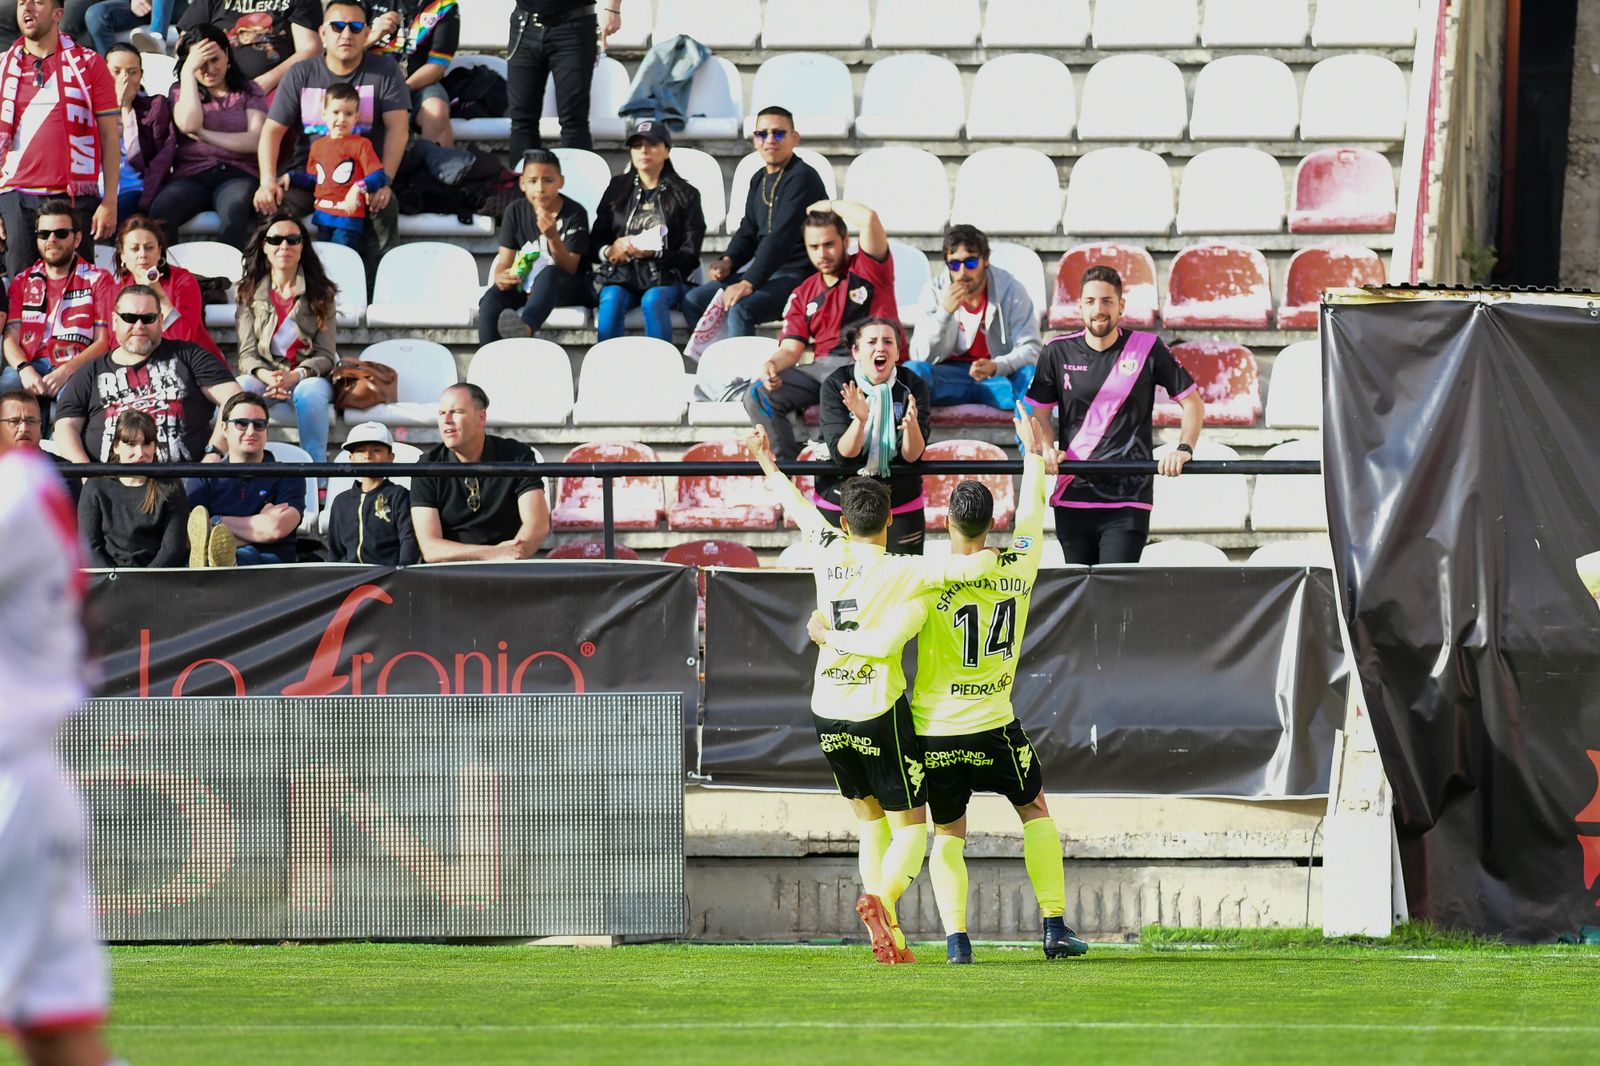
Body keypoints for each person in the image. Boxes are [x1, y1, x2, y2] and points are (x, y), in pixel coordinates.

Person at [807, 406, 1091, 965]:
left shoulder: (925, 576)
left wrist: (830, 636)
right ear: (991, 522)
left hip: (934, 729)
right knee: (1034, 809)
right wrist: (1034, 457)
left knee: (947, 833)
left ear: (944, 522)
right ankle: (1055, 927)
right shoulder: (1018, 563)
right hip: (994, 722)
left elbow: (885, 634)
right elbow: (1033, 516)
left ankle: (957, 942)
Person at [745, 421, 1002, 965]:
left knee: (868, 821)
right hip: (876, 709)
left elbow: (795, 503)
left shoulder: (824, 547)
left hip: (826, 708)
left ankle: (890, 940)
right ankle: (881, 901)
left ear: (843, 521)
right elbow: (972, 564)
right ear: (890, 520)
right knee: (910, 825)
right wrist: (1001, 555)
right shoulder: (904, 570)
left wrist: (766, 459)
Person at [0, 425, 117, 1066]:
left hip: (11, 782)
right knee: (58, 1040)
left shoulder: (15, 493)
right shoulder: (26, 486)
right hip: (28, 782)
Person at [1026, 265, 1204, 565]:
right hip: (1073, 493)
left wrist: (1184, 448)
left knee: (1115, 589)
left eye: (1107, 301)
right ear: (1080, 306)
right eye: (1091, 301)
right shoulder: (1056, 351)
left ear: (1121, 305)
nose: (1099, 310)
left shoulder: (1148, 347)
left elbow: (1193, 403)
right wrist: (1046, 448)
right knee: (1079, 589)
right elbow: (1040, 415)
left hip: (1129, 497)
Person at [256, 1, 409, 271]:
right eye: (337, 26)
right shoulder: (301, 72)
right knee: (271, 206)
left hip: (363, 180)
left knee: (385, 205)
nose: (346, 34)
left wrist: (385, 181)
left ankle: (375, 287)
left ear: (367, 33)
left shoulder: (385, 70)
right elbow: (272, 131)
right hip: (311, 177)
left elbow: (398, 129)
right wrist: (267, 181)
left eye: (355, 27)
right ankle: (277, 284)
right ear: (323, 33)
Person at [749, 198, 898, 463]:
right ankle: (788, 469)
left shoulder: (868, 269)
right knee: (758, 394)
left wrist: (829, 205)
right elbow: (791, 348)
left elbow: (869, 219)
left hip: (868, 364)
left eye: (829, 244)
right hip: (823, 370)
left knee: (835, 385)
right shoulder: (803, 292)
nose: (822, 254)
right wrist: (772, 365)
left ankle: (829, 456)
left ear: (845, 241)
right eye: (814, 247)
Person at [680, 106, 825, 339]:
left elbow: (781, 237)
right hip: (767, 272)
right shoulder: (759, 178)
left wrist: (749, 281)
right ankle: (716, 357)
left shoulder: (803, 177)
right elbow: (748, 229)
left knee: (741, 307)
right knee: (694, 300)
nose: (770, 140)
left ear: (794, 138)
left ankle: (740, 364)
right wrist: (729, 260)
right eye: (762, 134)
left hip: (799, 275)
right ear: (755, 140)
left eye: (779, 133)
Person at [52, 283, 240, 463]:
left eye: (148, 318)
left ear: (160, 320)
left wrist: (214, 454)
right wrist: (85, 474)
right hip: (108, 481)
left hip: (184, 481)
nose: (139, 325)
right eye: (129, 317)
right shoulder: (91, 371)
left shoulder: (190, 355)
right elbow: (65, 425)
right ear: (115, 321)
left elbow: (236, 399)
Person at [0, 0, 120, 280]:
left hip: (73, 194)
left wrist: (110, 200)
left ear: (58, 14)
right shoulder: (3, 66)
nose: (27, 7)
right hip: (15, 194)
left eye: (37, 2)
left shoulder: (90, 63)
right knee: (23, 290)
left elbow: (109, 136)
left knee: (78, 290)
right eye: (21, 2)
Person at [814, 317, 930, 555]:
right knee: (841, 575)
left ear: (897, 352)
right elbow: (843, 455)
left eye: (888, 341)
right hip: (840, 500)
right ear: (855, 351)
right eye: (871, 342)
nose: (880, 347)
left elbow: (912, 457)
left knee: (902, 576)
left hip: (899, 501)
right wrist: (860, 420)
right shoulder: (837, 384)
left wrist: (912, 427)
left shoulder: (913, 385)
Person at [150, 22, 269, 251]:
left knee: (235, 209)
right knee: (161, 208)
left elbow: (256, 140)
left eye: (215, 59)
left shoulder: (249, 90)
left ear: (227, 56)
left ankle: (229, 272)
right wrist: (188, 73)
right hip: (192, 174)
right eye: (200, 63)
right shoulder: (180, 89)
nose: (209, 69)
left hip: (238, 173)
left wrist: (204, 135)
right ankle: (167, 272)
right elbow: (189, 124)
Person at [234, 213, 338, 463]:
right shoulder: (248, 291)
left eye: (292, 239)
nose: (284, 246)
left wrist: (296, 375)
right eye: (275, 240)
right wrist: (268, 376)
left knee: (311, 393)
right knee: (241, 387)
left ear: (302, 247)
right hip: (265, 377)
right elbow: (246, 355)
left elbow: (326, 355)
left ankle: (316, 472)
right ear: (264, 246)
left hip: (307, 378)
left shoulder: (322, 293)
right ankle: (239, 468)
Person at [590, 119, 704, 343]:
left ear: (667, 151)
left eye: (652, 144)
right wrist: (610, 250)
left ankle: (662, 362)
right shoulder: (616, 189)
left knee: (653, 299)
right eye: (637, 145)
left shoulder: (686, 193)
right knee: (611, 296)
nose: (644, 150)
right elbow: (596, 240)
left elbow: (690, 255)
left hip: (667, 278)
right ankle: (606, 361)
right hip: (623, 275)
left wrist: (656, 253)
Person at [907, 224, 1042, 412]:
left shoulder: (1011, 290)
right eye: (954, 264)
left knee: (1032, 377)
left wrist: (997, 366)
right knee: (912, 373)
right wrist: (944, 313)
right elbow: (919, 356)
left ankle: (1030, 433)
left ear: (986, 260)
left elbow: (1032, 350)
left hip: (998, 379)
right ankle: (911, 433)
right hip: (948, 378)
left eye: (970, 262)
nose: (962, 272)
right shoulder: (934, 291)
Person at [411, 383, 548, 561]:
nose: (447, 419)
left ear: (481, 417)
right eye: (442, 413)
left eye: (456, 412)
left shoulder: (517, 456)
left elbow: (537, 524)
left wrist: (514, 552)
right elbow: (430, 548)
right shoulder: (426, 466)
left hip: (508, 568)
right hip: (450, 571)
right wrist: (494, 553)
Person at [1, 201, 115, 398]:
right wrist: (23, 369)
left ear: (77, 239)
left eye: (61, 233)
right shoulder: (22, 281)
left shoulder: (99, 279)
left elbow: (102, 342)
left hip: (76, 365)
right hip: (28, 364)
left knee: (73, 398)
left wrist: (66, 371)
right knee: (5, 389)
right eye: (44, 234)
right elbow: (11, 336)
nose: (51, 240)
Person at [477, 148, 589, 344]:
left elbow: (570, 267)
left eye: (548, 180)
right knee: (491, 299)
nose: (540, 188)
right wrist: (501, 276)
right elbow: (504, 261)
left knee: (549, 273)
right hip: (526, 284)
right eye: (533, 181)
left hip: (567, 287)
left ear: (561, 182)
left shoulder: (575, 213)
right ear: (522, 183)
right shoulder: (515, 210)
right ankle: (486, 355)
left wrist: (553, 236)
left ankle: (525, 328)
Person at [186, 392, 305, 565]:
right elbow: (191, 537)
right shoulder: (203, 476)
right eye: (241, 423)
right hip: (211, 572)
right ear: (224, 428)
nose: (251, 431)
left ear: (266, 430)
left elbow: (275, 528)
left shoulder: (289, 474)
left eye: (259, 424)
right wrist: (259, 526)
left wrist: (216, 521)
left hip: (269, 569)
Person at [279, 81, 388, 248]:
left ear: (356, 117)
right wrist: (291, 176)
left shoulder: (362, 145)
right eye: (336, 112)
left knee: (343, 257)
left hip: (348, 219)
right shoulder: (317, 146)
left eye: (348, 113)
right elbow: (316, 180)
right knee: (325, 258)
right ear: (324, 114)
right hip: (323, 217)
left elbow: (379, 175)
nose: (341, 119)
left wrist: (358, 188)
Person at [506, 0, 620, 157]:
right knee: (521, 119)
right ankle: (521, 173)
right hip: (524, 23)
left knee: (574, 120)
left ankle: (577, 172)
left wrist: (613, 9)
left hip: (574, 24)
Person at [78, 407, 189, 568]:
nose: (140, 453)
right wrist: (113, 578)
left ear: (155, 446)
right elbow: (90, 547)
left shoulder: (171, 487)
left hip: (158, 579)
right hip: (106, 579)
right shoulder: (95, 486)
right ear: (116, 446)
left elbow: (172, 548)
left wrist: (145, 579)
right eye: (131, 444)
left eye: (146, 444)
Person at [113, 213, 222, 360]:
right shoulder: (116, 291)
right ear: (122, 255)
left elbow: (183, 337)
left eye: (149, 248)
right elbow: (115, 343)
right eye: (134, 249)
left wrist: (159, 293)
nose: (142, 254)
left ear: (159, 252)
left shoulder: (183, 281)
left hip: (192, 362)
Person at [177, 0, 320, 94]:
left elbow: (310, 49)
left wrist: (267, 82)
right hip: (215, 87)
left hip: (277, 88)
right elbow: (186, 43)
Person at [326, 419, 418, 565]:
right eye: (360, 450)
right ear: (351, 458)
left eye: (376, 450)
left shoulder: (399, 495)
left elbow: (408, 540)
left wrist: (402, 572)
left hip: (388, 575)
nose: (367, 455)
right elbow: (335, 552)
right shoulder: (341, 501)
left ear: (391, 457)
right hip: (350, 576)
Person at [368, 0, 458, 147]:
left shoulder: (443, 5)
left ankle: (440, 162)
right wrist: (373, 35)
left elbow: (438, 65)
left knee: (437, 110)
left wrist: (404, 89)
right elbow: (341, 50)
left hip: (419, 84)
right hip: (369, 80)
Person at [105, 44, 176, 224]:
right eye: (116, 72)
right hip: (97, 189)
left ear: (141, 75)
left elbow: (143, 158)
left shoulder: (154, 107)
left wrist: (126, 107)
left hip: (135, 189)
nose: (125, 78)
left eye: (132, 72)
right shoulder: (88, 107)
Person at [81, 0, 188, 56]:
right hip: (134, 9)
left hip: (172, 7)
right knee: (96, 15)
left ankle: (157, 38)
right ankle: (111, 71)